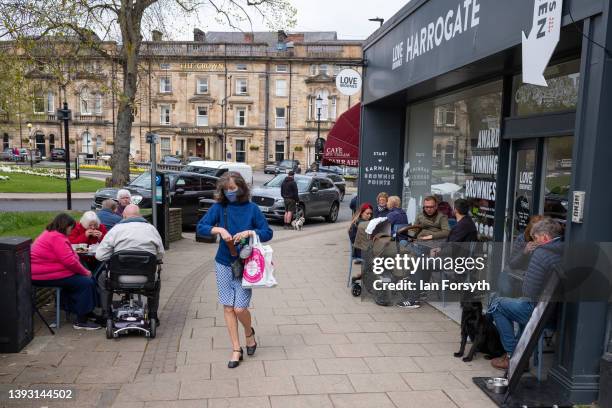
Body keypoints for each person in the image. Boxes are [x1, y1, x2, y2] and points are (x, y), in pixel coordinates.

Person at [196, 172, 273, 369]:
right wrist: (219, 230)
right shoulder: (219, 208)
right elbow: (201, 227)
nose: (230, 192)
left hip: (247, 265)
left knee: (240, 308)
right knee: (228, 307)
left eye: (233, 188)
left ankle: (249, 333)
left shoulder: (252, 209)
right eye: (226, 189)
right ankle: (236, 348)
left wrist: (251, 231)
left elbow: (268, 233)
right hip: (223, 262)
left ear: (241, 187)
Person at [488, 217, 563, 370]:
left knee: (496, 304)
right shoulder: (566, 248)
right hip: (560, 313)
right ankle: (520, 353)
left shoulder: (542, 253)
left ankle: (513, 357)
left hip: (540, 312)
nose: (534, 241)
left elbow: (528, 291)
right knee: (517, 304)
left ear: (545, 237)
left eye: (536, 238)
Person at [30, 213, 100, 330]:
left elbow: (68, 258)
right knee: (85, 282)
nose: (71, 230)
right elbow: (69, 261)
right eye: (71, 228)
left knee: (86, 279)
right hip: (42, 275)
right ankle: (81, 321)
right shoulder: (56, 237)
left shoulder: (51, 234)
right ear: (65, 226)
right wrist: (84, 271)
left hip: (43, 273)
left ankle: (86, 312)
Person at [95, 204, 164, 319]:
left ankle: (106, 313)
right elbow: (160, 254)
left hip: (119, 278)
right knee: (157, 281)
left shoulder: (116, 230)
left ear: (123, 216)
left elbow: (99, 255)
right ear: (140, 215)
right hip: (146, 278)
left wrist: (112, 255)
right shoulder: (152, 229)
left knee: (102, 278)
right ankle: (153, 314)